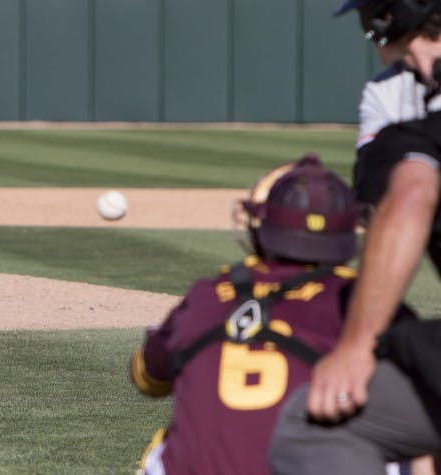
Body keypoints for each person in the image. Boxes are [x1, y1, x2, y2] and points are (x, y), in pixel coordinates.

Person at [269, 0, 441, 474]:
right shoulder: (389, 93)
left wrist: (356, 346)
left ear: (389, 16)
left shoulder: (405, 123)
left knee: (320, 420)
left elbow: (403, 194)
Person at [130, 154, 394, 474]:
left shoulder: (208, 293)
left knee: (162, 447)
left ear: (262, 227)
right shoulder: (363, 300)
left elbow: (146, 378)